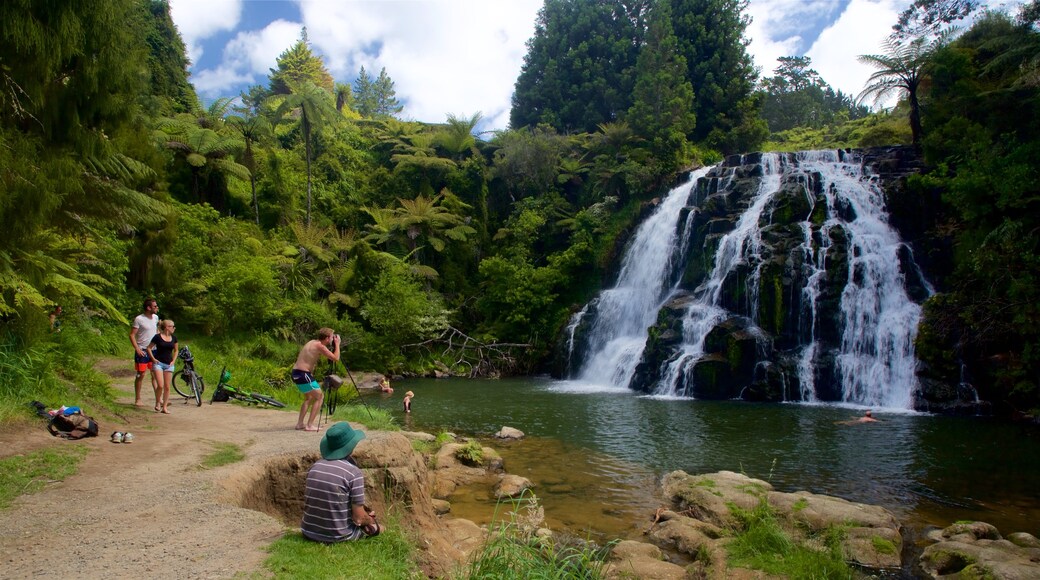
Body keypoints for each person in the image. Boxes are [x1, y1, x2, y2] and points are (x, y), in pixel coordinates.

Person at [300, 421, 382, 542]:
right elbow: (359, 519)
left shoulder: (315, 466)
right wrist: (370, 519)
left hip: (308, 531)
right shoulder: (353, 473)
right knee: (379, 528)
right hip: (338, 536)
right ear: (351, 445)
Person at [292, 327, 340, 432]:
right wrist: (337, 344)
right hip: (303, 374)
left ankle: (300, 424)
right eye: (332, 337)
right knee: (320, 397)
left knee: (308, 398)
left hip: (297, 373)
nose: (332, 339)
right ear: (327, 338)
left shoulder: (312, 342)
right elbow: (336, 358)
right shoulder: (320, 346)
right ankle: (309, 425)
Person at [129, 298, 160, 407]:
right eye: (155, 306)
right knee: (140, 375)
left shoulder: (156, 318)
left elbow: (156, 331)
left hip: (154, 351)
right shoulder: (139, 319)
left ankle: (158, 399)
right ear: (148, 308)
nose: (157, 308)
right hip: (142, 350)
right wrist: (137, 349)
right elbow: (132, 335)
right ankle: (138, 398)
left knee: (155, 374)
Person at [148, 319, 178, 414]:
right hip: (158, 363)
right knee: (160, 385)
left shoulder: (174, 338)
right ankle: (158, 401)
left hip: (168, 364)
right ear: (167, 327)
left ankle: (164, 407)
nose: (174, 328)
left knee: (167, 387)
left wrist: (173, 360)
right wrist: (153, 359)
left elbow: (176, 350)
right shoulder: (157, 337)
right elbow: (149, 348)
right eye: (172, 326)